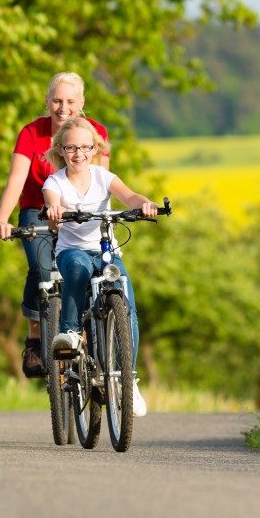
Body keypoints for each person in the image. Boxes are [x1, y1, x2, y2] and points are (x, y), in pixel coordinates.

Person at [0, 72, 109, 378]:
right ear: (47, 101)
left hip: (80, 212)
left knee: (91, 269)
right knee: (42, 269)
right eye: (57, 100)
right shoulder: (31, 132)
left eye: (70, 101)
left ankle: (86, 331)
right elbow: (16, 180)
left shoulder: (96, 133)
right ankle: (34, 335)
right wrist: (2, 219)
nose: (62, 107)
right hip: (37, 210)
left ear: (82, 103)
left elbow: (101, 182)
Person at [42, 117, 158, 417]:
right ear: (61, 150)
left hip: (106, 250)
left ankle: (125, 381)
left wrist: (144, 204)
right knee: (78, 270)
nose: (78, 153)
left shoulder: (104, 177)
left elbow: (129, 195)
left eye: (84, 147)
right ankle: (68, 332)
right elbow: (52, 204)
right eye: (70, 147)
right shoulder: (54, 182)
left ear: (95, 149)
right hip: (73, 251)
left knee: (125, 301)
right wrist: (55, 211)